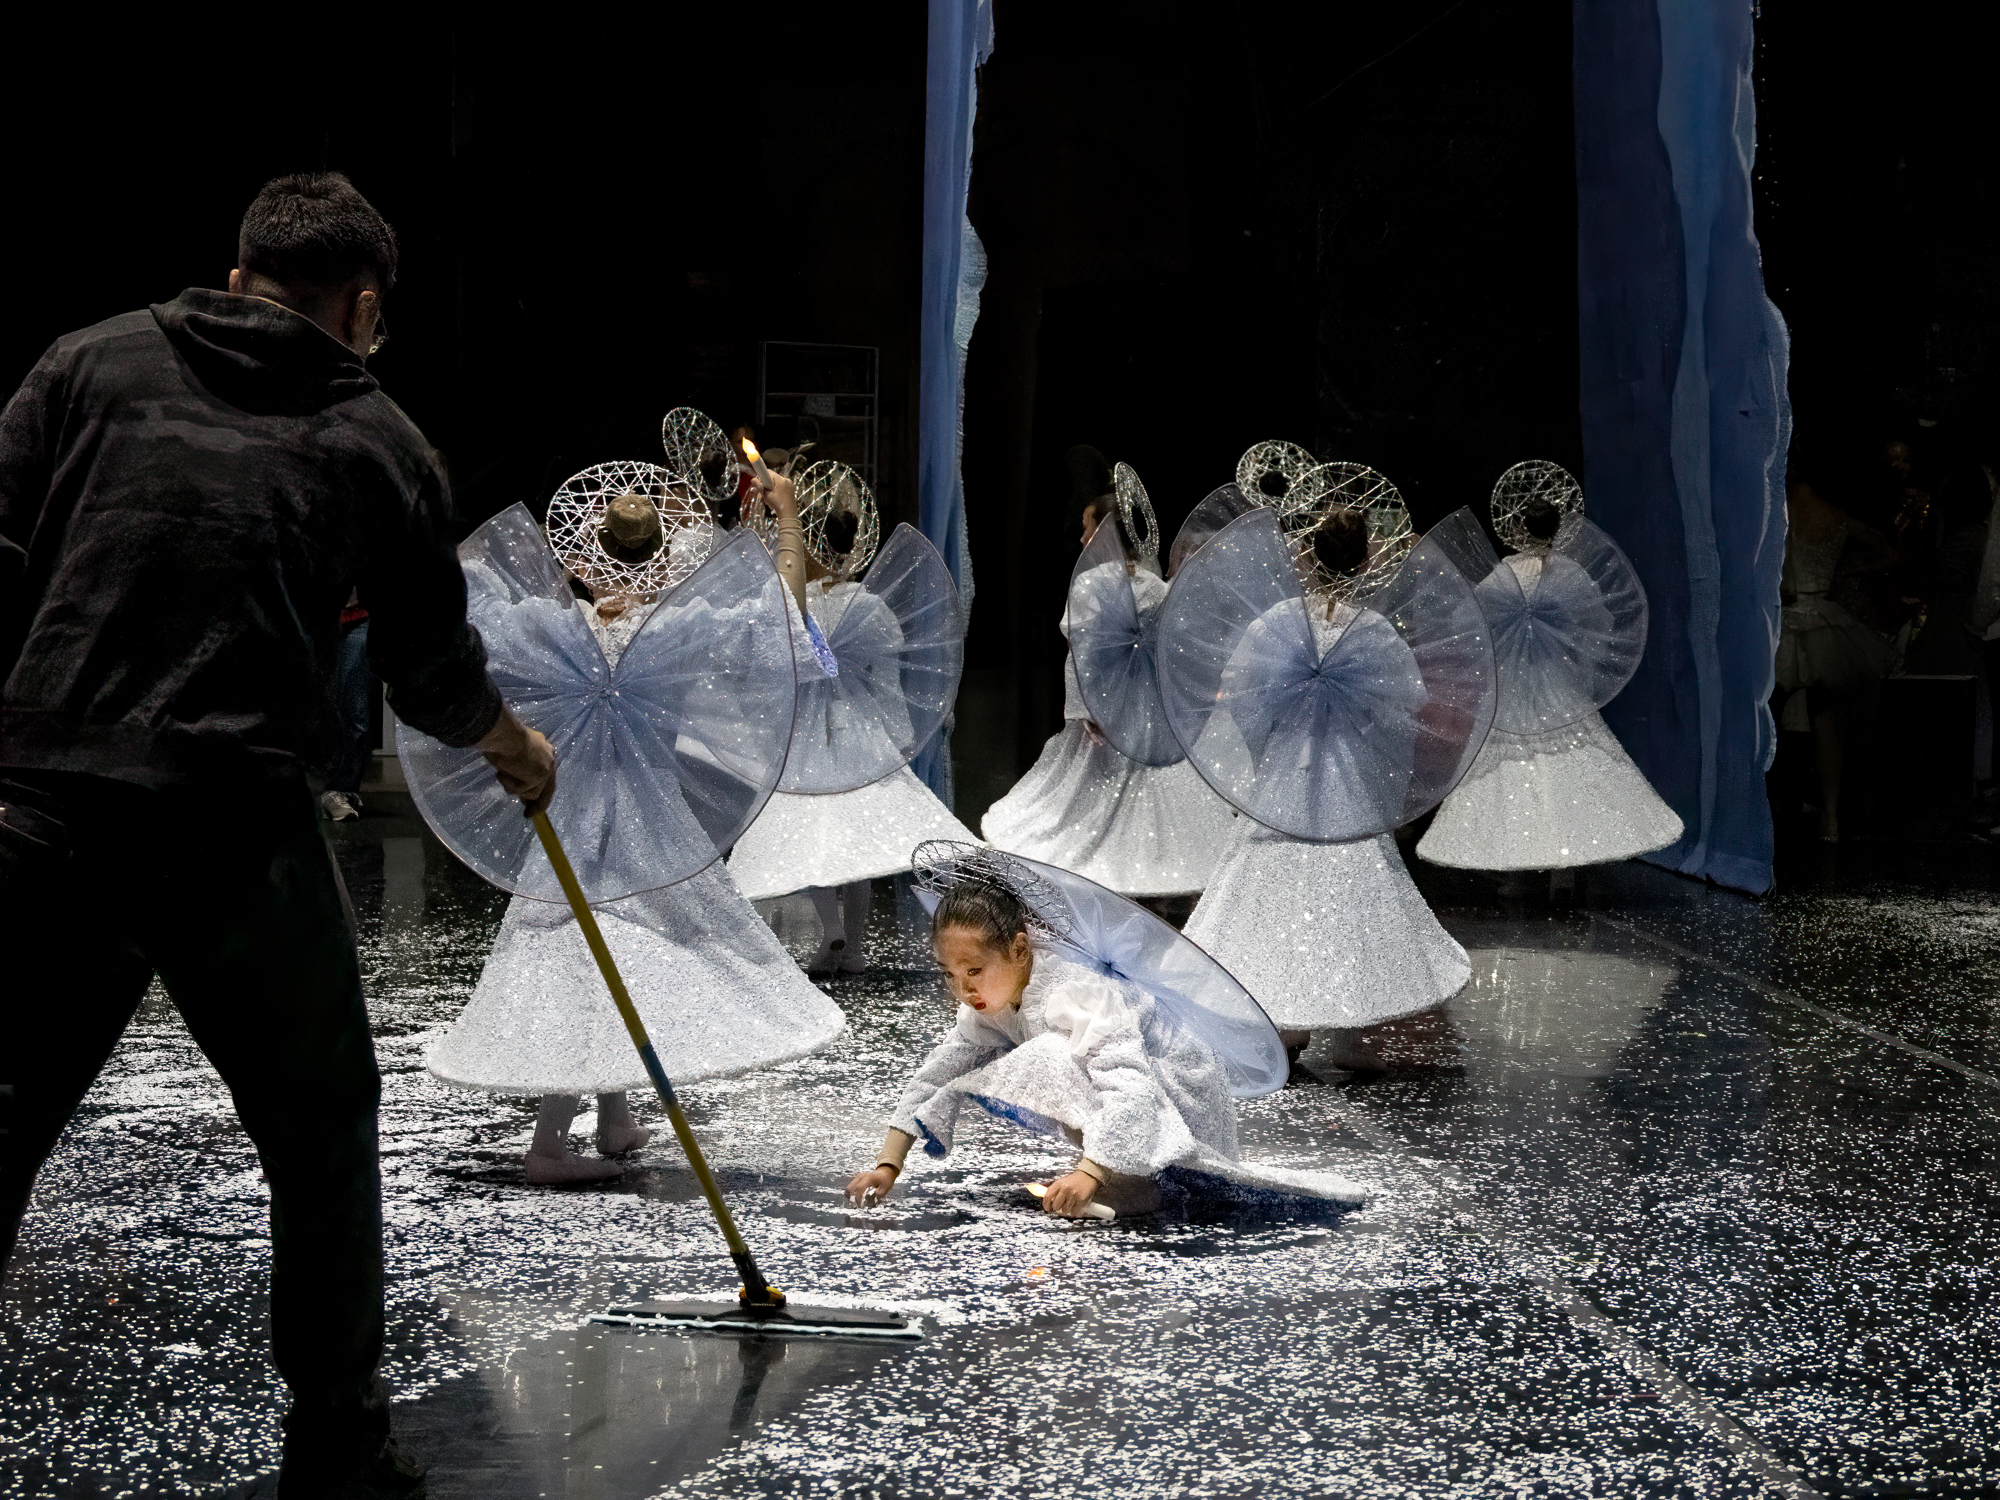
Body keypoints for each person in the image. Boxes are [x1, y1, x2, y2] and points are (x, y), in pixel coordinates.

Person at [0, 172, 555, 1498]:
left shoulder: (87, 363)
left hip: (48, 807)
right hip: (233, 831)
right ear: (362, 306)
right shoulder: (373, 434)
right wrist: (511, 745)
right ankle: (338, 1447)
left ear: (240, 268)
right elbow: (430, 668)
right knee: (319, 1136)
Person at [424, 474, 845, 1182]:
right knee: (597, 963)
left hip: (574, 812)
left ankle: (613, 1119)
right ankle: (548, 1148)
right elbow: (780, 612)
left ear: (588, 557)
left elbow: (469, 605)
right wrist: (787, 522)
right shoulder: (674, 630)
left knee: (595, 957)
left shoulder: (560, 629)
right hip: (646, 823)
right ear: (661, 560)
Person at [844, 847, 1370, 1217]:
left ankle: (1131, 1178)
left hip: (1178, 1101)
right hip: (1131, 1114)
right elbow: (936, 1074)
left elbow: (1132, 1088)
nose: (964, 989)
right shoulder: (989, 1003)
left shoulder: (1077, 992)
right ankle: (1118, 1172)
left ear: (1020, 950)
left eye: (975, 971)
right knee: (1031, 1058)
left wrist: (1091, 1173)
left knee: (1049, 1056)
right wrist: (888, 1165)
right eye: (950, 975)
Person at [1165, 496, 1483, 1072]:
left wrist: (1274, 737)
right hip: (1346, 775)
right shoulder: (1373, 631)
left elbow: (1241, 694)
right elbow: (1404, 706)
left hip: (1283, 774)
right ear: (1364, 563)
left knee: (1271, 888)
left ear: (1309, 557)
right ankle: (1350, 1016)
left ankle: (1282, 1021)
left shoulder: (1277, 623)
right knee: (1348, 891)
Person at [728, 471, 980, 975]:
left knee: (816, 836)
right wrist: (897, 735)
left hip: (810, 733)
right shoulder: (868, 605)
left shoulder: (800, 604)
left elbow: (781, 669)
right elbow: (886, 679)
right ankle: (852, 941)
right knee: (851, 839)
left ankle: (835, 932)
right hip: (857, 731)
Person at [981, 447, 1239, 900]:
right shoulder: (1155, 587)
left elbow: (1082, 657)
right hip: (1144, 712)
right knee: (1132, 791)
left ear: (1104, 531)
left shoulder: (1093, 585)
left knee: (1094, 797)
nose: (1082, 537)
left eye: (1087, 527)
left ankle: (1120, 869)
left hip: (1111, 709)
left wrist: (1087, 709)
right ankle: (1146, 864)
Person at [1418, 470, 1682, 874]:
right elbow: (1601, 621)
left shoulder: (1507, 573)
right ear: (1558, 530)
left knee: (1513, 767)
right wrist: (1574, 655)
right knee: (1569, 760)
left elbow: (1466, 620)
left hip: (1514, 684)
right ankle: (1565, 870)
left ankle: (1516, 864)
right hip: (1558, 680)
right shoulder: (1571, 572)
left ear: (1519, 529)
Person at [1768, 460, 1898, 842]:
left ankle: (1772, 807)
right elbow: (1890, 554)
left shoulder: (1779, 512)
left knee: (1771, 719)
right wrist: (1846, 573)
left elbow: (1781, 580)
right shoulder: (1835, 515)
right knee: (1824, 721)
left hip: (1788, 620)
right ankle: (1830, 818)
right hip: (1823, 619)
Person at [323, 588, 375, 820]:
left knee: (356, 710)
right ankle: (336, 787)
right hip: (314, 616)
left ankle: (342, 788)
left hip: (357, 616)